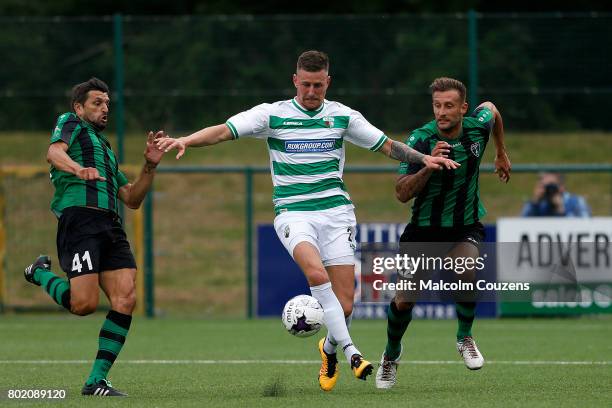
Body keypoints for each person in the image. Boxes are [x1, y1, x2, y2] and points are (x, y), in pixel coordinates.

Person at [156, 50, 459, 391]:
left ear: (327, 82)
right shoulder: (272, 115)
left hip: (336, 213)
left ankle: (327, 348)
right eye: (306, 85)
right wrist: (185, 140)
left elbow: (387, 146)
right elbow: (224, 131)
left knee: (344, 305)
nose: (312, 92)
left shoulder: (343, 116)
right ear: (294, 81)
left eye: (318, 85)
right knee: (315, 273)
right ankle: (351, 352)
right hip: (294, 213)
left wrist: (424, 159)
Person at [23, 77, 166, 397]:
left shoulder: (105, 149)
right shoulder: (69, 123)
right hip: (80, 220)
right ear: (78, 107)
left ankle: (96, 381)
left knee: (126, 298)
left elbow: (131, 198)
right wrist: (77, 169)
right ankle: (40, 273)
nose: (104, 109)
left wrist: (149, 166)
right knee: (83, 304)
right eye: (97, 103)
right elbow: (53, 153)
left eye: (107, 104)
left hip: (111, 225)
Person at [375, 77, 512, 389]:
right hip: (423, 231)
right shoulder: (421, 140)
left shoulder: (478, 127)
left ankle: (464, 337)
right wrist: (427, 165)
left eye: (449, 105)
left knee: (465, 268)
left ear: (463, 108)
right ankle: (391, 356)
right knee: (404, 301)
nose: (442, 112)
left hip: (465, 225)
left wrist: (501, 152)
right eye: (437, 105)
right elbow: (401, 193)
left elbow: (491, 108)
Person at [521, 172, 591, 217]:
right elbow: (522, 223)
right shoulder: (539, 204)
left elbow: (585, 224)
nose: (548, 189)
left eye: (551, 186)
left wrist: (560, 209)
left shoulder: (577, 202)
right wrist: (535, 202)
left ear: (562, 187)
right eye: (544, 186)